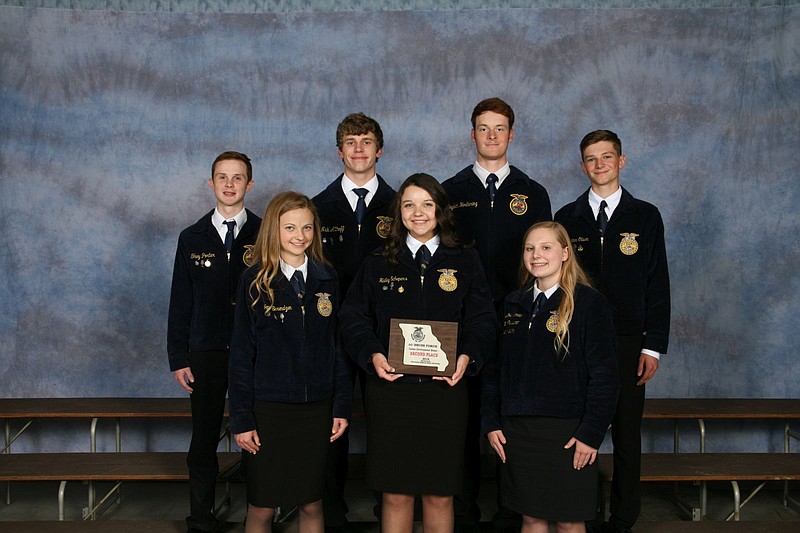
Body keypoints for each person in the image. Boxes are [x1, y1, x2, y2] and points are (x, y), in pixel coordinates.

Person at [339, 173, 495, 533]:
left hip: (445, 392)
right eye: (409, 205)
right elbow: (352, 319)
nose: (418, 212)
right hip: (391, 391)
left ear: (441, 209)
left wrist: (466, 357)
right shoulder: (377, 262)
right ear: (399, 213)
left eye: (427, 204)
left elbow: (483, 320)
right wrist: (373, 355)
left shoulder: (465, 260)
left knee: (440, 494)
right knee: (395, 494)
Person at [442, 97, 551, 532]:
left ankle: (513, 509)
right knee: (462, 420)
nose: (491, 135)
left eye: (499, 128)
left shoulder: (533, 192)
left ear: (511, 134)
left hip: (518, 322)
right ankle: (463, 511)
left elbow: (546, 258)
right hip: (462, 322)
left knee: (514, 418)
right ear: (472, 135)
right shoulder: (450, 191)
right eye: (483, 128)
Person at [554, 130, 670, 533]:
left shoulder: (645, 216)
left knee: (624, 431)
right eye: (591, 158)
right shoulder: (567, 217)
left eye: (607, 157)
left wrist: (652, 346)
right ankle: (578, 510)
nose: (599, 164)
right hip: (577, 337)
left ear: (622, 161)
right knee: (578, 426)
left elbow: (658, 283)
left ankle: (622, 518)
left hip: (627, 340)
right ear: (582, 165)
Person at [481, 221, 619, 533]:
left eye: (546, 247)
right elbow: (493, 372)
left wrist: (591, 432)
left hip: (568, 432)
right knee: (530, 518)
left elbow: (606, 377)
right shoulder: (512, 304)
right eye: (530, 248)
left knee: (569, 520)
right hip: (517, 430)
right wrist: (491, 422)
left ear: (565, 253)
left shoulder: (589, 304)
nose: (536, 255)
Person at [228, 191, 353, 533]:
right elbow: (241, 355)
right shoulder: (254, 281)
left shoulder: (327, 277)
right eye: (290, 228)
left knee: (312, 504)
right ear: (273, 230)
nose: (300, 236)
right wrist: (241, 418)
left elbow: (338, 347)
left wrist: (341, 405)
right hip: (268, 410)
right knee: (262, 508)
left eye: (307, 228)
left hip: (316, 408)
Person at [167, 151, 261, 533]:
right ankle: (200, 518)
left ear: (248, 185)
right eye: (222, 177)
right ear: (211, 183)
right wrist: (178, 356)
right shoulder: (192, 237)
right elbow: (180, 301)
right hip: (204, 353)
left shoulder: (265, 231)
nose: (229, 184)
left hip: (253, 352)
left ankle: (259, 512)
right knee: (203, 437)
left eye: (237, 178)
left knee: (256, 433)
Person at [312, 112, 396, 528]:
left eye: (366, 141)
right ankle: (332, 510)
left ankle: (389, 505)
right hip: (330, 331)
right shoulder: (317, 207)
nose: (359, 149)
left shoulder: (401, 206)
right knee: (333, 423)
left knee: (386, 420)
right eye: (351, 142)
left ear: (379, 150)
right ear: (339, 151)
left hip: (384, 332)